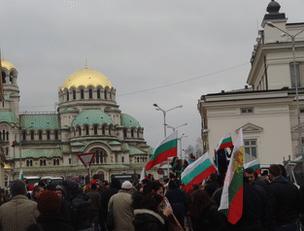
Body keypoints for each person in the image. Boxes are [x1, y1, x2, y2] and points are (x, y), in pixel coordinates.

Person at [268, 164, 300, 231]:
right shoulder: (293, 186)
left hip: (279, 224)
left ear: (270, 174)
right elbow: (298, 205)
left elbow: (270, 208)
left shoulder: (272, 188)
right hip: (293, 223)